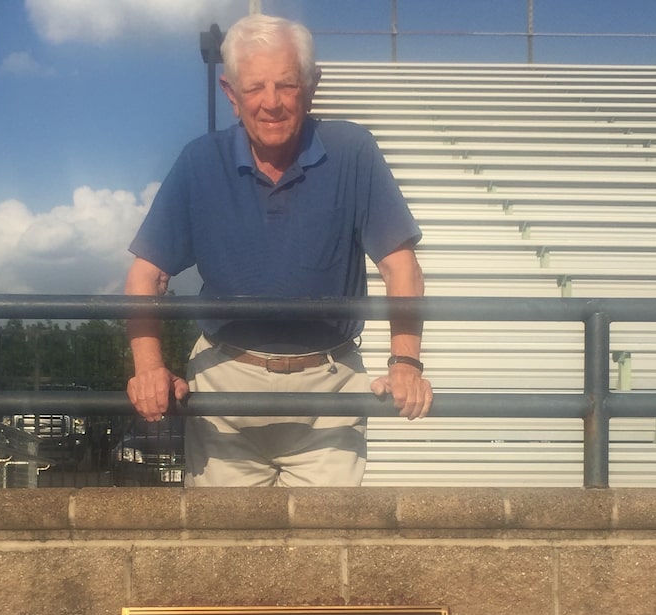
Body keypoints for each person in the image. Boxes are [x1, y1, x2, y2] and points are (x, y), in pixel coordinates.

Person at [125, 13, 433, 487]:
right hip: (224, 385)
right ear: (231, 94)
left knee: (326, 551)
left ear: (311, 85)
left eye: (287, 85)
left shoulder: (353, 151)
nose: (271, 103)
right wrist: (149, 369)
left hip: (328, 388)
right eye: (254, 88)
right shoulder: (199, 162)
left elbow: (401, 267)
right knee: (226, 551)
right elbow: (147, 275)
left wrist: (406, 362)